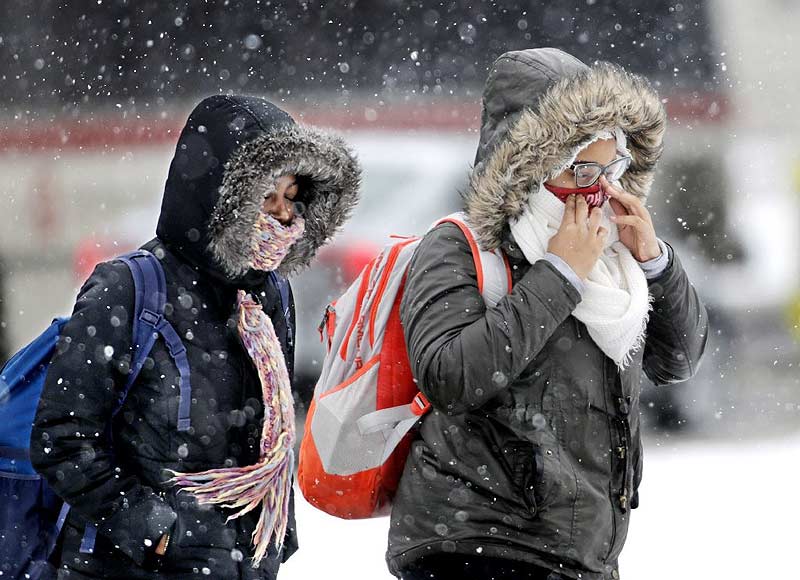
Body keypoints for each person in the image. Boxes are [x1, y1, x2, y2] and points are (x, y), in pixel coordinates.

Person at [387, 48, 708, 580]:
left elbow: (678, 360)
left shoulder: (611, 259)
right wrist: (560, 273)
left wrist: (654, 263)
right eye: (583, 168)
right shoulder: (460, 245)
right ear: (532, 169)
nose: (600, 190)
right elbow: (450, 377)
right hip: (477, 548)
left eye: (613, 168)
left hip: (584, 556)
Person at [30, 95, 360, 579]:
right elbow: (62, 436)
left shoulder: (269, 297)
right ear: (222, 193)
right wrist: (154, 529)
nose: (285, 215)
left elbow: (267, 434)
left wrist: (274, 533)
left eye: (292, 198)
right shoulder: (130, 289)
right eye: (268, 196)